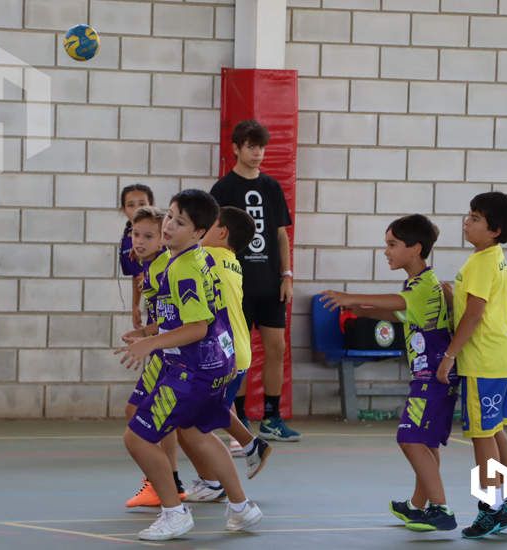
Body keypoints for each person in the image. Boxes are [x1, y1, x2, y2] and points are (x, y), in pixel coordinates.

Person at [116, 190, 262, 540]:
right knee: (199, 434)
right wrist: (149, 329)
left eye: (179, 223)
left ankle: (174, 512)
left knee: (136, 437)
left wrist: (150, 343)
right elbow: (200, 316)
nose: (169, 226)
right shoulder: (199, 260)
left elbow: (196, 327)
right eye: (170, 216)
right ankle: (242, 508)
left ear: (200, 232)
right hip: (214, 364)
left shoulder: (183, 269)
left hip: (190, 370)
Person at [320, 214, 459, 533]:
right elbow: (399, 312)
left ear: (416, 248)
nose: (386, 251)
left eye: (392, 245)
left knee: (409, 438)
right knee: (426, 444)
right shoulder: (419, 284)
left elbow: (399, 302)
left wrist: (351, 296)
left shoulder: (425, 286)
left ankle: (441, 509)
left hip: (433, 375)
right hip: (432, 374)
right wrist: (362, 311)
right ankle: (419, 506)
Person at [435, 192, 507, 539]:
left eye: (476, 217)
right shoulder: (493, 258)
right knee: (495, 430)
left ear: (495, 230)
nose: (467, 221)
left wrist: (449, 356)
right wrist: (453, 297)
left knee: (480, 435)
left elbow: (474, 316)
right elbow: (475, 305)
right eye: (469, 215)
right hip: (502, 355)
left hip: (483, 359)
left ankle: (489, 508)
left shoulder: (480, 263)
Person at [210, 119, 299, 442]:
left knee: (277, 347)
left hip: (270, 283)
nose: (257, 153)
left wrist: (286, 275)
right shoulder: (223, 189)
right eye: (250, 146)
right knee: (239, 352)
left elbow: (280, 235)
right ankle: (240, 416)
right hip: (237, 286)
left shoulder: (272, 187)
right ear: (236, 148)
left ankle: (273, 417)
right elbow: (212, 235)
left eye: (261, 147)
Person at [183, 206, 274, 503]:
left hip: (224, 355)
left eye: (206, 225)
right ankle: (251, 446)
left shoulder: (207, 258)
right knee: (216, 410)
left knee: (192, 423)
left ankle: (215, 483)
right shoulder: (229, 260)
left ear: (221, 232)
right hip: (236, 350)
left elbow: (180, 253)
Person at [117, 206, 185, 507]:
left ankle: (163, 484)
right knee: (157, 418)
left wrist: (148, 336)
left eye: (148, 236)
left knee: (141, 416)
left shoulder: (162, 269)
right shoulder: (149, 266)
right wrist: (146, 332)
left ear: (163, 239)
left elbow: (178, 318)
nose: (139, 241)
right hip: (163, 349)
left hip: (171, 353)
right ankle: (169, 481)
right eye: (135, 234)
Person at [119, 183, 155, 330]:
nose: (137, 210)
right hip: (153, 300)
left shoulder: (160, 231)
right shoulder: (128, 234)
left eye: (142, 204)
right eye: (131, 205)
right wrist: (135, 306)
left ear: (151, 205)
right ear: (123, 209)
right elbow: (137, 274)